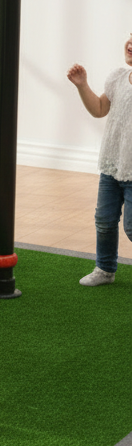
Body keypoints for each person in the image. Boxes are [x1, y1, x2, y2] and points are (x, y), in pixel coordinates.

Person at [66, 33, 132, 285]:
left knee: (131, 227)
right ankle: (105, 269)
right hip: (112, 164)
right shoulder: (117, 76)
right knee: (104, 221)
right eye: (130, 37)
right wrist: (82, 85)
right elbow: (99, 109)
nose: (130, 44)